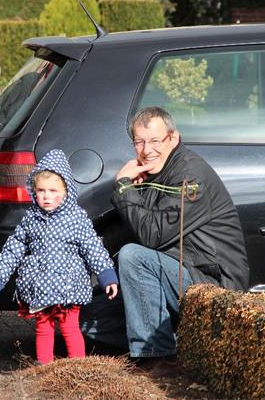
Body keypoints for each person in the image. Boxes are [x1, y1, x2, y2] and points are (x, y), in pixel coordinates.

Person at [80, 106, 250, 366]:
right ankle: (180, 341)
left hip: (213, 283)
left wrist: (124, 187)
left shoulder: (190, 177)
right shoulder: (154, 173)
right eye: (139, 142)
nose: (147, 150)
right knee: (83, 319)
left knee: (134, 256)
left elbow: (152, 237)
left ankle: (155, 356)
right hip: (174, 273)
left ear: (173, 138)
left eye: (155, 141)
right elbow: (135, 229)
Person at [0, 149, 119, 365]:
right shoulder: (31, 218)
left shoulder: (76, 218)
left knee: (70, 327)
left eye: (53, 191)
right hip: (40, 286)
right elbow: (13, 248)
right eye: (41, 191)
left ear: (66, 191)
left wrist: (106, 275)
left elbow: (92, 247)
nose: (46, 196)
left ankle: (78, 366)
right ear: (33, 191)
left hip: (68, 286)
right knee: (43, 328)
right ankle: (44, 367)